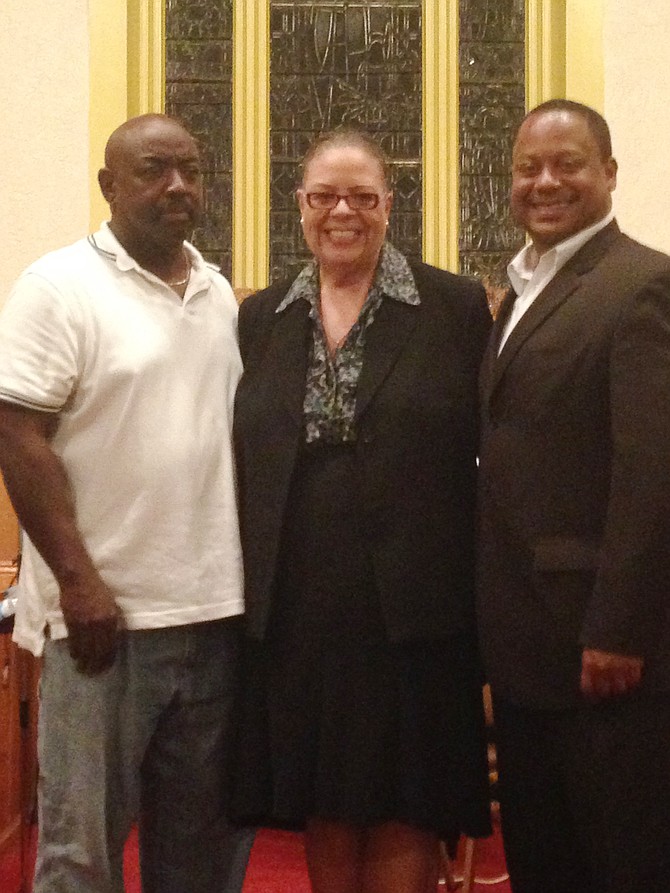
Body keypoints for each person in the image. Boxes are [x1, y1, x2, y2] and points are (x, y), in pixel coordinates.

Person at [230, 129, 492, 893]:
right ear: (300, 205)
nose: (343, 211)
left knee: (406, 799)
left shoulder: (454, 307)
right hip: (302, 606)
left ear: (388, 204)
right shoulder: (264, 316)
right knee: (327, 797)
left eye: (363, 196)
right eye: (324, 196)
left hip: (415, 608)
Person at [0, 114, 253, 893]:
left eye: (190, 168)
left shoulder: (219, 295)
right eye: (153, 170)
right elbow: (18, 435)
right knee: (83, 859)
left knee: (204, 855)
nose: (177, 186)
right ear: (109, 185)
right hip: (102, 627)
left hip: (215, 617)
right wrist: (79, 580)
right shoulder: (59, 286)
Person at [476, 99, 670, 893]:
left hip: (601, 653)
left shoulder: (641, 285)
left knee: (619, 860)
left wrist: (618, 629)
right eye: (528, 168)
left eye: (567, 164)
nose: (545, 181)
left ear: (610, 174)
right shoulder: (524, 287)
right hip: (527, 648)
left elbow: (651, 469)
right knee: (545, 861)